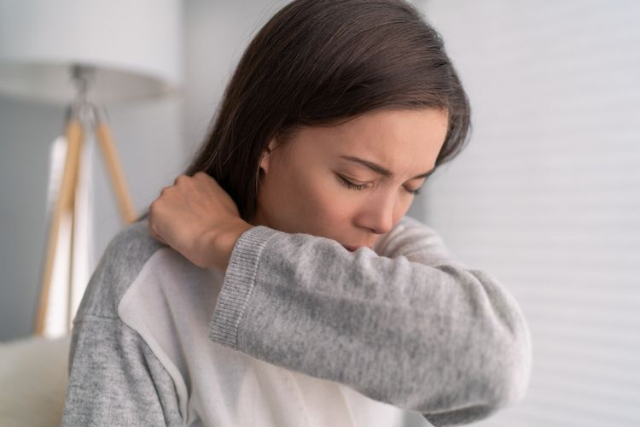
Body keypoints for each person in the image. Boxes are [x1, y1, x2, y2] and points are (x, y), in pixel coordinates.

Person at [61, 0, 532, 426]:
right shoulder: (146, 278)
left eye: (412, 187)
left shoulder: (395, 249)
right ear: (267, 140)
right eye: (356, 180)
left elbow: (495, 363)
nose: (385, 219)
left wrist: (224, 241)